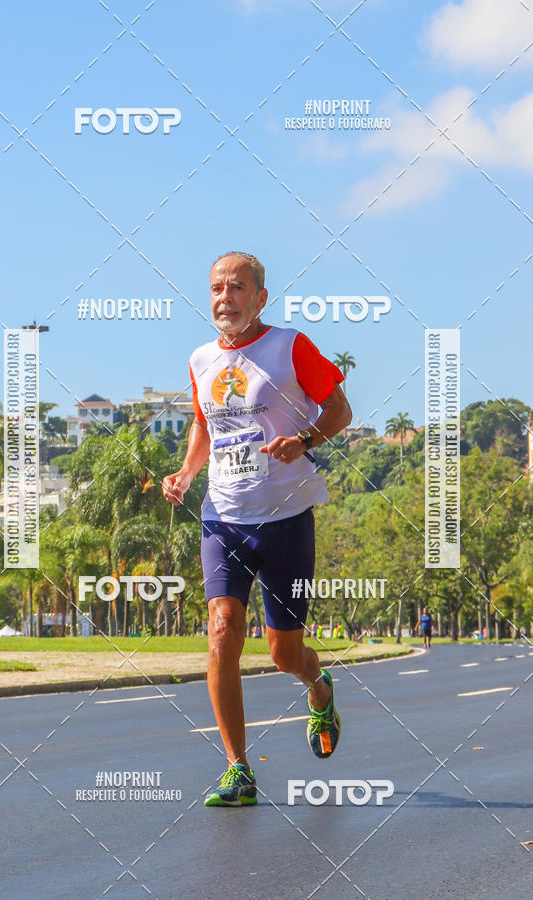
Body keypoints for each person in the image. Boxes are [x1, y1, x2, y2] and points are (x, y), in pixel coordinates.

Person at [162, 251, 352, 807]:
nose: (226, 297)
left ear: (261, 297)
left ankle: (318, 688)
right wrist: (186, 471)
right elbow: (203, 424)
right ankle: (238, 769)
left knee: (284, 655)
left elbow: (339, 409)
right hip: (223, 517)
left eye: (238, 287)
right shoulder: (200, 359)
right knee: (222, 628)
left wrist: (305, 441)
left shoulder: (288, 346)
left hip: (287, 518)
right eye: (217, 287)